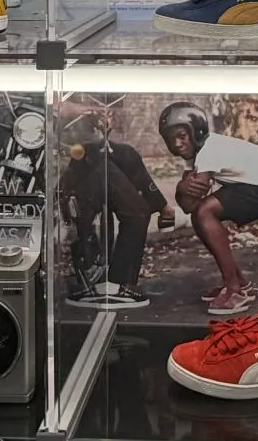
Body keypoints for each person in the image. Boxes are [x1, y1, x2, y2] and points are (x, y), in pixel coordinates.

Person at [158, 101, 258, 316]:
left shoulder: (209, 151)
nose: (177, 144)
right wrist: (181, 188)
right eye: (171, 139)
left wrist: (182, 188)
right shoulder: (198, 153)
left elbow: (191, 202)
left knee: (205, 212)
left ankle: (234, 289)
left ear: (196, 131)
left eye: (182, 136)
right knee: (199, 215)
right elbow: (188, 206)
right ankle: (240, 284)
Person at [61, 108, 175, 311]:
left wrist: (101, 115)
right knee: (136, 211)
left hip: (91, 153)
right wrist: (84, 111)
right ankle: (106, 284)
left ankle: (161, 205)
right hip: (69, 156)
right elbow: (55, 104)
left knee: (127, 155)